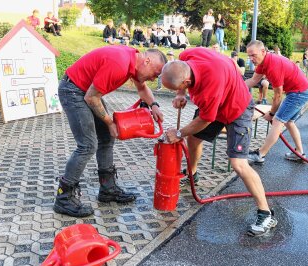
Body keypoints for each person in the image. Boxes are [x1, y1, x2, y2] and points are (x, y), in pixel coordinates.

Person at [161, 47, 277, 236]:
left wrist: (179, 133)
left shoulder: (210, 86)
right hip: (218, 101)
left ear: (186, 81)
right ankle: (192, 174)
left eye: (179, 88)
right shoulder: (189, 56)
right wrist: (180, 94)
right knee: (194, 138)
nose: (179, 91)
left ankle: (266, 214)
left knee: (238, 164)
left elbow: (205, 119)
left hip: (237, 108)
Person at [54, 47, 167, 217]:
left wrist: (154, 105)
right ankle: (63, 198)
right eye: (155, 73)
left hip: (87, 92)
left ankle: (107, 189)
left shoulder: (133, 61)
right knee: (87, 145)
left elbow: (142, 88)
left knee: (106, 138)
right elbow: (91, 98)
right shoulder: (119, 64)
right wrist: (109, 122)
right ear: (147, 61)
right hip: (74, 91)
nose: (153, 78)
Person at [245, 40, 308, 163]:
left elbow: (277, 95)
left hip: (299, 93)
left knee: (277, 121)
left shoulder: (273, 66)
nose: (251, 59)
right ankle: (299, 153)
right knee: (289, 122)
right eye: (249, 56)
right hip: (301, 90)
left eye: (253, 55)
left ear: (263, 51)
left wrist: (271, 114)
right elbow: (253, 81)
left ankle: (260, 154)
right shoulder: (262, 63)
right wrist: (235, 87)